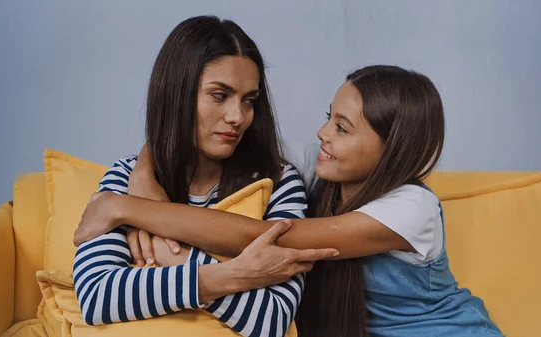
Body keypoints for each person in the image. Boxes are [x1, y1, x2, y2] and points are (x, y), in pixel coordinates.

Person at [75, 67, 503, 336]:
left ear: (392, 149)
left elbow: (266, 237)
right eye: (327, 118)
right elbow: (194, 136)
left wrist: (124, 208)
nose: (323, 134)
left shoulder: (412, 209)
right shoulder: (322, 168)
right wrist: (143, 177)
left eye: (342, 127)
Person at [72, 15, 338, 337]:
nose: (237, 117)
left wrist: (168, 255)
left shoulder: (278, 182)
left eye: (249, 101)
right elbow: (98, 296)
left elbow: (271, 319)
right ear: (176, 93)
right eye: (219, 95)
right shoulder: (127, 177)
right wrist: (234, 275)